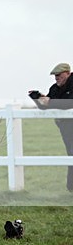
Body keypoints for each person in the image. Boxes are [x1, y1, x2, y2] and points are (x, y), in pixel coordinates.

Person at [29, 62, 73, 191]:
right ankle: (70, 188)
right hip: (65, 126)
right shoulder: (54, 88)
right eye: (55, 76)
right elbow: (46, 106)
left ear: (68, 73)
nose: (56, 78)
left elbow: (69, 103)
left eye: (58, 75)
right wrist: (37, 98)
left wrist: (51, 101)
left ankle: (71, 187)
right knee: (70, 154)